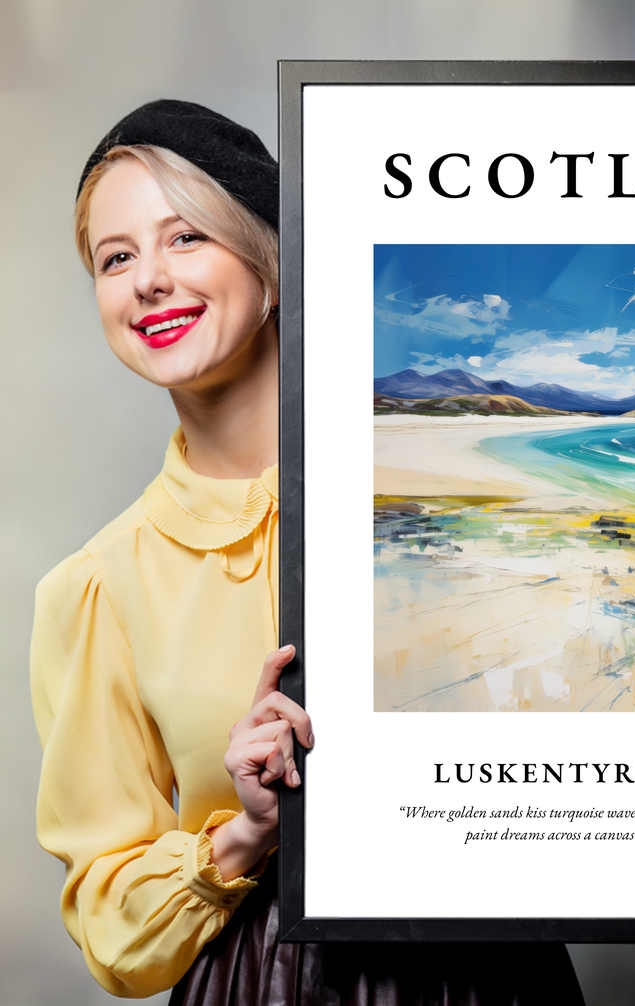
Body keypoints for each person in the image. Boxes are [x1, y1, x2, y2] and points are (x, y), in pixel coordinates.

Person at [30, 100, 586, 1004]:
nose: (148, 281)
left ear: (273, 263)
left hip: (493, 972)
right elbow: (110, 923)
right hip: (262, 982)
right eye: (116, 257)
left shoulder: (450, 500)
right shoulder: (97, 587)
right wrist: (244, 832)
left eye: (185, 238)